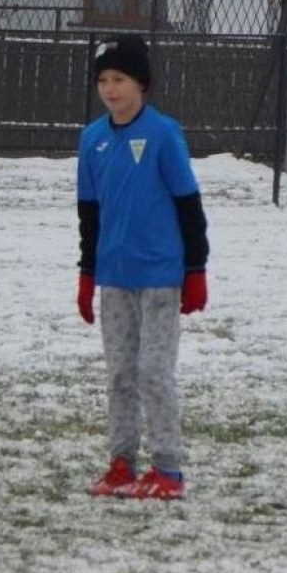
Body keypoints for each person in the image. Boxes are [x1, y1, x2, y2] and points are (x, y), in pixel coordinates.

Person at [76, 34, 209, 501]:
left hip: (160, 276)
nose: (110, 89)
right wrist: (86, 274)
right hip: (115, 278)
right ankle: (121, 462)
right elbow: (89, 215)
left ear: (142, 85)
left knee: (153, 370)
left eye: (120, 79)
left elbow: (189, 205)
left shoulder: (162, 134)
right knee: (119, 374)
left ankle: (168, 469)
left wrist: (196, 269)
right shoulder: (91, 140)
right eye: (103, 80)